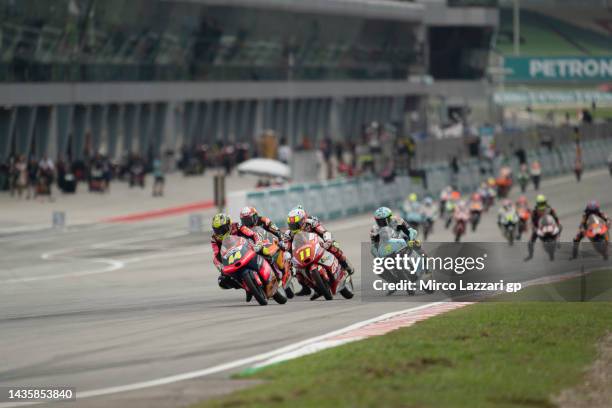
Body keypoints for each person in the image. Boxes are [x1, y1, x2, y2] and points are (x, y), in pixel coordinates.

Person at [283, 206, 354, 299]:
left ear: (303, 220)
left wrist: (327, 241)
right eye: (291, 225)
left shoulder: (311, 223)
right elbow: (287, 247)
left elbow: (324, 232)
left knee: (334, 246)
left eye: (296, 224)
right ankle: (315, 289)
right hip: (302, 253)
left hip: (318, 244)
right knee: (296, 271)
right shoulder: (288, 234)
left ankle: (345, 266)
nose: (294, 227)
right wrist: (288, 255)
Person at [211, 213, 264, 302]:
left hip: (248, 248)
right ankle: (246, 286)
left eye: (222, 229)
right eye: (217, 230)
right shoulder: (214, 238)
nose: (220, 232)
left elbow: (252, 234)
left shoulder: (237, 226)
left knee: (265, 251)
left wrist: (258, 243)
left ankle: (276, 271)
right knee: (223, 281)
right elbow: (216, 254)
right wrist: (221, 267)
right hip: (232, 257)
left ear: (229, 225)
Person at [526, 195, 561, 260]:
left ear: (545, 202)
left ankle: (558, 240)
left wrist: (557, 224)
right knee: (530, 241)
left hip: (550, 225)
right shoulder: (535, 211)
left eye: (543, 203)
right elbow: (532, 221)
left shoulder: (550, 209)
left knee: (560, 227)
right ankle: (530, 255)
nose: (541, 205)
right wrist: (534, 227)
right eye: (540, 203)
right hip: (539, 227)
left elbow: (555, 217)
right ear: (537, 203)